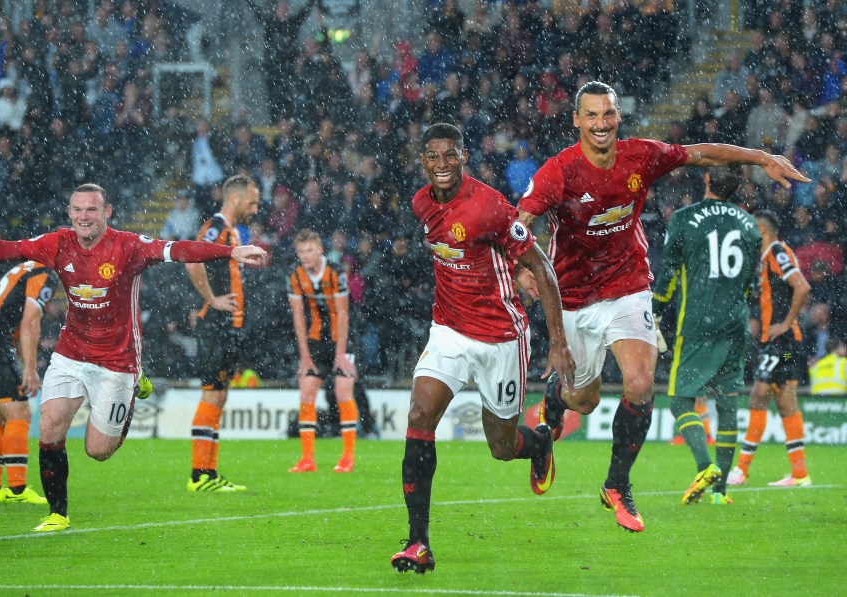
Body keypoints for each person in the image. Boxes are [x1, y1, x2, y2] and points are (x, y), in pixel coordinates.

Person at [518, 81, 808, 532]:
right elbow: (519, 224)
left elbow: (701, 154)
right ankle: (553, 407)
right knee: (586, 398)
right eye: (591, 115)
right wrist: (523, 268)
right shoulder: (559, 172)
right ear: (576, 120)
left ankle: (617, 485)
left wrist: (762, 158)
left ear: (618, 117)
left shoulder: (641, 156)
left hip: (629, 286)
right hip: (573, 296)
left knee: (639, 384)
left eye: (608, 114)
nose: (601, 123)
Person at [0, 184, 267, 532]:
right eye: (77, 209)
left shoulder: (129, 246)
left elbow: (181, 249)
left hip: (117, 361)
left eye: (91, 209)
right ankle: (57, 513)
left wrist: (231, 252)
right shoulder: (57, 243)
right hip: (71, 352)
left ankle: (131, 390)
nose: (84, 216)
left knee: (98, 450)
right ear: (69, 213)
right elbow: (2, 248)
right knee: (49, 425)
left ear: (107, 212)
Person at [391, 123, 574, 574]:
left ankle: (538, 443)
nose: (441, 165)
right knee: (419, 417)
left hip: (499, 337)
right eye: (432, 157)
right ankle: (418, 542)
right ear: (423, 163)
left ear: (464, 155)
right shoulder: (420, 204)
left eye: (449, 155)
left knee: (500, 446)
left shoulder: (489, 206)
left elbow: (541, 264)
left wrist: (558, 342)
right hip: (449, 330)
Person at [652, 167, 761, 506]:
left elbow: (669, 271)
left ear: (707, 181)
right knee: (728, 402)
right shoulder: (749, 224)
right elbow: (748, 281)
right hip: (735, 322)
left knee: (680, 400)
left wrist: (656, 309)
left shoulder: (685, 218)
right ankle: (721, 492)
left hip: (698, 322)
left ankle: (705, 465)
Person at [185, 174, 261, 493]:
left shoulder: (231, 232)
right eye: (253, 202)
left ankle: (210, 473)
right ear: (237, 200)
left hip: (228, 327)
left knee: (221, 394)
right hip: (215, 324)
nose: (256, 208)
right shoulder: (216, 226)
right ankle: (199, 475)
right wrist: (211, 299)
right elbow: (192, 260)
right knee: (212, 393)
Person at [728, 211, 813, 488]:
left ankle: (741, 470)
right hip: (783, 345)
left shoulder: (777, 251)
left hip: (783, 343)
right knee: (785, 401)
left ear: (762, 231)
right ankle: (799, 473)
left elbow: (802, 286)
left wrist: (786, 323)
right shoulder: (767, 257)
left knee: (758, 395)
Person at [0, 260, 58, 505]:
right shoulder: (44, 272)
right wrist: (29, 368)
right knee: (20, 414)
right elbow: (30, 320)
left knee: (1, 419)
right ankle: (17, 490)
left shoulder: (25, 267)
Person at [286, 228, 358, 473]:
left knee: (342, 392)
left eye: (310, 250)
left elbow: (343, 314)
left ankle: (347, 458)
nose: (305, 256)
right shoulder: (295, 276)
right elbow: (298, 317)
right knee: (306, 391)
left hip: (343, 339)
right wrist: (305, 356)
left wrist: (340, 353)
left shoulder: (336, 273)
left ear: (320, 250)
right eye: (301, 251)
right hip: (316, 339)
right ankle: (307, 459)